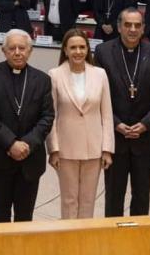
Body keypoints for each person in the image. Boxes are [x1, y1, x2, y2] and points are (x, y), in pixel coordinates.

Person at [95, 8, 150, 217]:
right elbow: (99, 95)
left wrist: (146, 123)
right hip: (114, 138)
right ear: (119, 27)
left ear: (143, 28)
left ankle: (137, 240)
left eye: (137, 25)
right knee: (113, 195)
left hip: (145, 138)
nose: (132, 29)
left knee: (142, 194)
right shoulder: (103, 52)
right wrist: (116, 123)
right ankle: (113, 241)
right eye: (128, 25)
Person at [0, 29, 54, 222]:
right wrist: (11, 143)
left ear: (30, 51)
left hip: (30, 160)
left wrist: (27, 143)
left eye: (22, 48)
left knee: (24, 217)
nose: (17, 52)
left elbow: (47, 116)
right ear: (4, 51)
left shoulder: (42, 80)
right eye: (12, 48)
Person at [46, 29, 114, 219]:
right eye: (73, 47)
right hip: (66, 149)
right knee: (69, 200)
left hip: (94, 147)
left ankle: (84, 242)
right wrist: (53, 149)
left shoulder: (100, 74)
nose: (78, 52)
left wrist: (107, 148)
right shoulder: (55, 75)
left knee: (88, 200)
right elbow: (50, 115)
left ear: (88, 49)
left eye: (82, 47)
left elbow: (106, 114)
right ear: (65, 50)